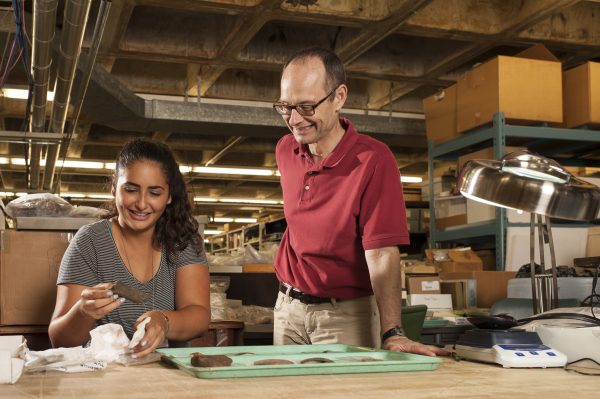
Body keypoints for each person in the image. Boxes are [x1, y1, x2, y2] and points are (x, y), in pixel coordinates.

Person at [272, 47, 446, 356]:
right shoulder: (286, 150)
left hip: (345, 317)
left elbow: (381, 253)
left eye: (306, 106)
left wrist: (392, 331)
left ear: (339, 97)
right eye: (286, 107)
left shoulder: (373, 160)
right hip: (287, 311)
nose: (294, 119)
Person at [49, 138, 210, 358]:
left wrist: (164, 321)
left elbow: (199, 316)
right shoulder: (90, 242)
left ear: (170, 195)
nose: (142, 204)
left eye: (155, 193)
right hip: (105, 378)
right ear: (115, 186)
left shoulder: (183, 242)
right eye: (131, 190)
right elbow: (59, 339)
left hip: (168, 376)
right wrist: (82, 312)